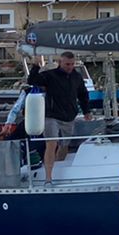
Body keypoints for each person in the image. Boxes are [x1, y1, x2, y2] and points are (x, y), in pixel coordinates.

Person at [27, 51, 92, 183]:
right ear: (60, 62)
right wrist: (35, 65)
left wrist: (86, 111)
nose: (70, 67)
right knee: (51, 143)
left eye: (72, 64)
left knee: (64, 145)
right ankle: (48, 177)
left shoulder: (76, 77)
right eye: (67, 64)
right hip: (51, 115)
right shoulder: (50, 75)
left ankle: (59, 168)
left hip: (69, 116)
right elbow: (32, 81)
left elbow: (83, 94)